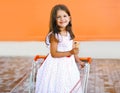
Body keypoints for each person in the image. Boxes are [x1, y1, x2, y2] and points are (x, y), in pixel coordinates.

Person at [35, 4, 84, 93]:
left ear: (69, 18)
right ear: (54, 20)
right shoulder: (55, 35)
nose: (62, 19)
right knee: (58, 84)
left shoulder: (69, 33)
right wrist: (70, 52)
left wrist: (78, 60)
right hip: (56, 65)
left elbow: (73, 50)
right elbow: (54, 54)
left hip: (69, 65)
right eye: (59, 17)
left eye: (65, 16)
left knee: (69, 82)